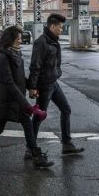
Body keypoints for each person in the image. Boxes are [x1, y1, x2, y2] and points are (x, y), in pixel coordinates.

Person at [0, 25, 53, 172]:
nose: (21, 41)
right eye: (19, 38)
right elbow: (8, 82)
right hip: (8, 100)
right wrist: (27, 104)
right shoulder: (3, 56)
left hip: (18, 99)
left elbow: (20, 78)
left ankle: (36, 157)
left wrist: (31, 88)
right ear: (11, 39)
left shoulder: (15, 53)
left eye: (21, 38)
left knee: (27, 125)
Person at [27, 13, 85, 157]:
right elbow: (35, 66)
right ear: (52, 26)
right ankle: (30, 148)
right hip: (44, 85)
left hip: (53, 82)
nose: (61, 30)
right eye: (60, 27)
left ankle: (67, 144)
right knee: (39, 116)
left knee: (66, 109)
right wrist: (33, 87)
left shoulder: (52, 40)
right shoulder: (42, 42)